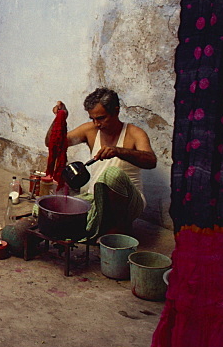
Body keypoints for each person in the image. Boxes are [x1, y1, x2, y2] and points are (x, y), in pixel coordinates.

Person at [45, 87, 156, 240]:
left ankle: (118, 227)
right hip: (96, 200)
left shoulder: (134, 133)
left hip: (129, 204)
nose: (96, 124)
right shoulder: (90, 130)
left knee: (111, 175)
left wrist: (119, 151)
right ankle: (101, 225)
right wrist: (60, 118)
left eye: (101, 118)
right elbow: (53, 143)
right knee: (45, 209)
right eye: (93, 119)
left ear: (116, 111)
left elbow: (151, 161)